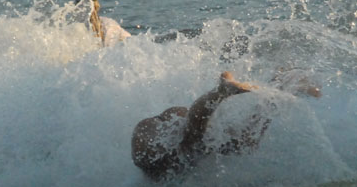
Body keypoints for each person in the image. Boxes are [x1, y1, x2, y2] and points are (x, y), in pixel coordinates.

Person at [131, 71, 321, 181]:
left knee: (232, 143)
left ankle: (272, 91)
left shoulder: (163, 164)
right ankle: (276, 89)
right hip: (154, 140)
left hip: (155, 140)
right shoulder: (163, 162)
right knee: (241, 142)